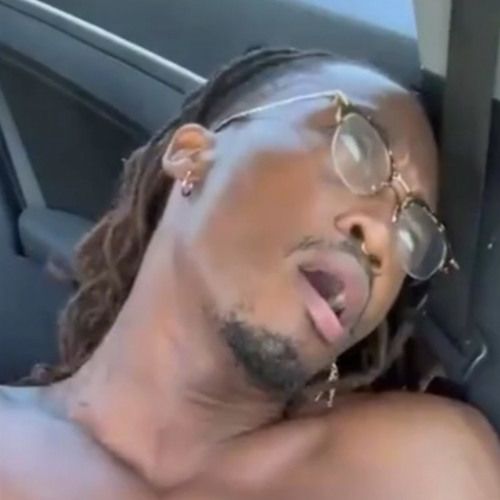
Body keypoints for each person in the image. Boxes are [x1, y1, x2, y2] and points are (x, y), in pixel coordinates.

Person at [0, 48, 499, 500]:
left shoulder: (421, 470)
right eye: (356, 150)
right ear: (192, 154)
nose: (381, 239)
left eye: (413, 237)